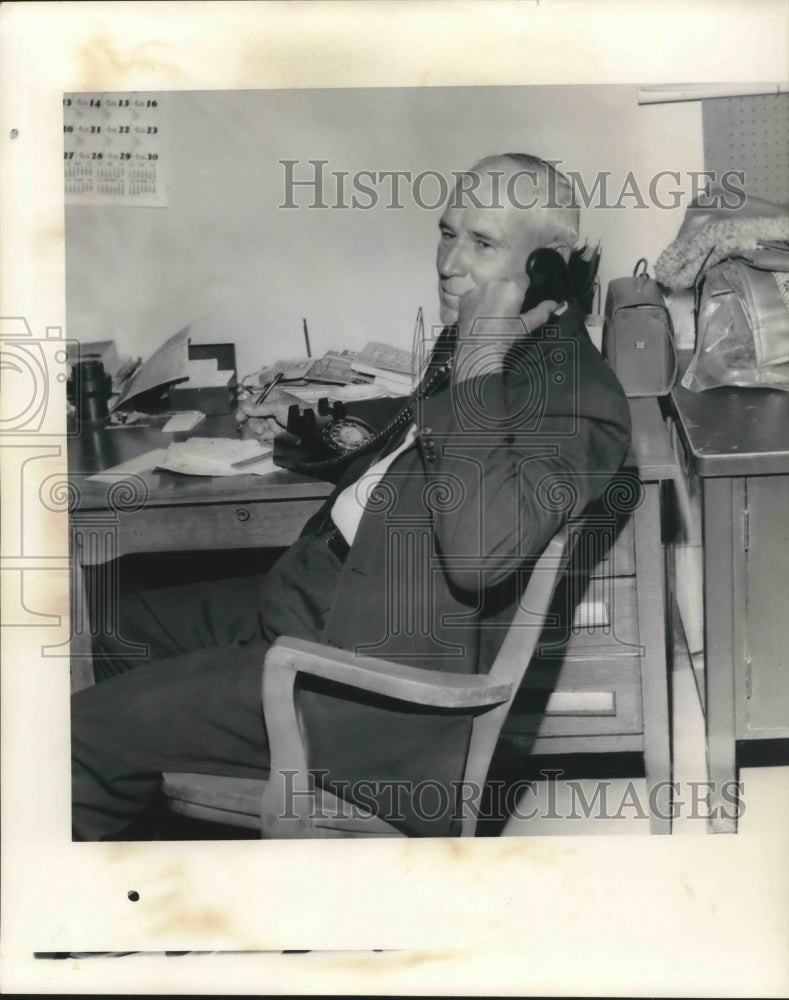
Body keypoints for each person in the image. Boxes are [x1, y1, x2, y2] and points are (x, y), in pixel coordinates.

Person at [71, 154, 632, 840]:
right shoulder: (494, 347)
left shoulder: (574, 395)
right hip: (325, 597)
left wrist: (480, 356)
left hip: (363, 688)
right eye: (446, 232)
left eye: (481, 243)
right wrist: (327, 431)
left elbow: (479, 554)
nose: (450, 262)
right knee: (115, 624)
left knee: (77, 738)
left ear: (549, 265)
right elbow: (415, 450)